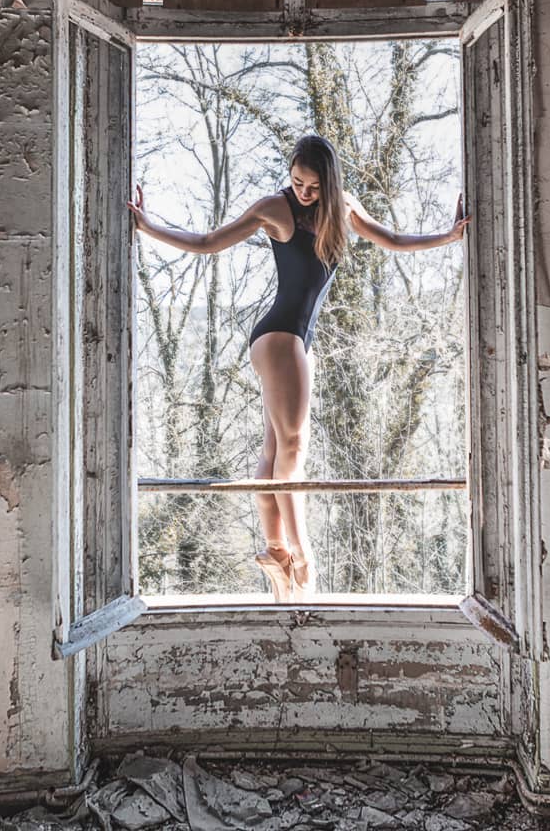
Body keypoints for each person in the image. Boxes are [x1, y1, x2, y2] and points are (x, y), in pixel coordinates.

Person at [127, 134, 470, 603]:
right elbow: (208, 241)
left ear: (328, 184)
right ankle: (303, 558)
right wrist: (147, 227)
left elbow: (391, 239)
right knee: (294, 446)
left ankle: (277, 554)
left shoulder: (343, 207)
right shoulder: (275, 207)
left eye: (312, 187)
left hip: (292, 343)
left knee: (275, 450)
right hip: (281, 336)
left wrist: (448, 236)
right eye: (297, 182)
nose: (303, 193)